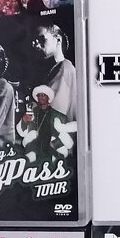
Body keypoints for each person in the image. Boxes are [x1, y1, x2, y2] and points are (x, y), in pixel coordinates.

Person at [29, 22, 76, 157]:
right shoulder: (51, 70)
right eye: (34, 40)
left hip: (54, 148)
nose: (35, 44)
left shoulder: (64, 68)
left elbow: (54, 113)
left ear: (58, 39)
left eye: (42, 39)